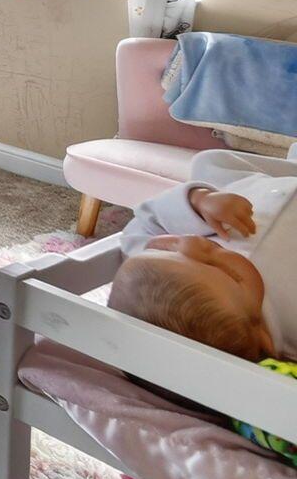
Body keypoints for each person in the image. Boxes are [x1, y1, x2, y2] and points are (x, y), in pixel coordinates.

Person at [107, 150, 296, 362]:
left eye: (168, 249)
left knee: (210, 162)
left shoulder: (143, 260)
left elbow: (141, 226)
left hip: (246, 191)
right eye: (216, 265)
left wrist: (198, 201)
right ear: (264, 338)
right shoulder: (289, 320)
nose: (193, 242)